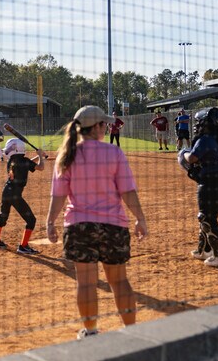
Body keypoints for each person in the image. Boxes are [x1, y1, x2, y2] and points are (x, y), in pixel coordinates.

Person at [45, 105, 148, 339]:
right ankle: (132, 333)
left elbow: (59, 195)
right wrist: (140, 219)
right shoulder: (114, 153)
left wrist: (50, 222)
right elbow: (128, 191)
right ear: (99, 127)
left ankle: (90, 331)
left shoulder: (67, 154)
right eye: (105, 124)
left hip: (79, 227)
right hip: (113, 225)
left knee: (86, 283)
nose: (108, 127)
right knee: (119, 281)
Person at [181, 107, 218, 267]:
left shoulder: (205, 139)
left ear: (206, 124)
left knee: (206, 218)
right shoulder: (215, 139)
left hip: (211, 181)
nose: (196, 125)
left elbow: (191, 158)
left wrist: (182, 153)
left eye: (199, 122)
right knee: (207, 217)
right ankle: (204, 249)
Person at [0, 138, 46, 254]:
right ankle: (23, 246)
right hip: (15, 195)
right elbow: (40, 167)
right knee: (31, 220)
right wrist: (40, 156)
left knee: (2, 217)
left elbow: (28, 163)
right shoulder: (24, 161)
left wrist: (39, 156)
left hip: (6, 192)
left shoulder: (12, 161)